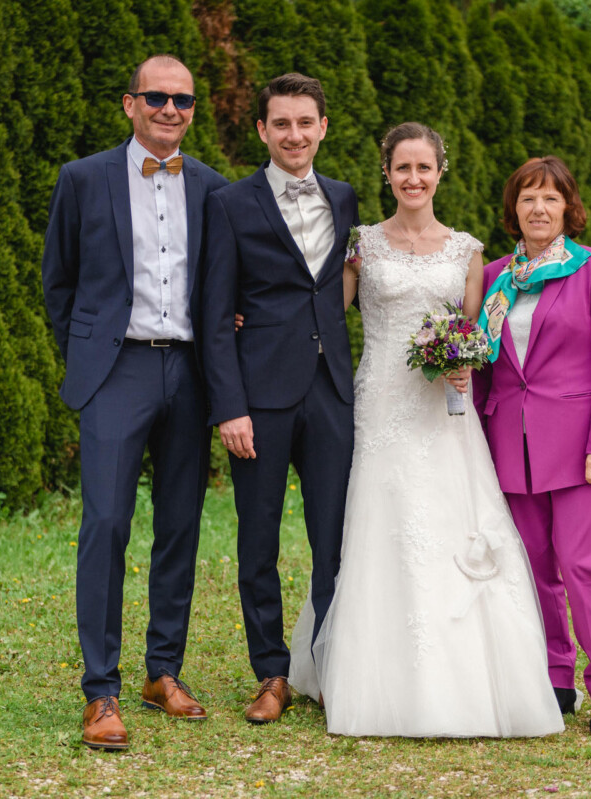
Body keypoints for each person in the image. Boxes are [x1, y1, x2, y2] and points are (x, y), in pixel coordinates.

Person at [286, 122, 564, 738]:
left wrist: (464, 360)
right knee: (376, 526)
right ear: (386, 173)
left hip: (444, 413)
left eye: (424, 168)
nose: (413, 178)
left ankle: (468, 675)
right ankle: (363, 670)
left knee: (449, 523)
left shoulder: (467, 250)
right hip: (379, 403)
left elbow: (474, 333)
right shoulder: (362, 243)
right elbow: (324, 316)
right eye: (402, 168)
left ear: (441, 173)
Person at [41, 54, 229, 749]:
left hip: (189, 372)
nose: (170, 110)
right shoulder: (83, 179)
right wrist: (86, 354)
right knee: (108, 522)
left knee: (180, 524)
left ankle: (163, 671)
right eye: (157, 97)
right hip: (115, 369)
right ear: (130, 103)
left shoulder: (213, 188)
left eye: (182, 101)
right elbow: (57, 281)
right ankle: (101, 691)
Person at [199, 73, 360, 724]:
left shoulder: (346, 199)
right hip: (259, 397)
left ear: (323, 128)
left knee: (335, 538)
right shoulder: (230, 204)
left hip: (331, 391)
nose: (295, 135)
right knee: (258, 537)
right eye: (281, 124)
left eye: (306, 122)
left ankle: (326, 665)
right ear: (263, 130)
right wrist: (228, 405)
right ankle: (271, 671)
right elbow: (214, 314)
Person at [472, 155, 591, 736]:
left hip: (580, 448)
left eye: (550, 198)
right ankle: (556, 678)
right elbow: (486, 367)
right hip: (511, 447)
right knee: (535, 571)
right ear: (513, 210)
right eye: (527, 198)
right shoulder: (494, 277)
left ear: (569, 208)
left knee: (583, 567)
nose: (539, 208)